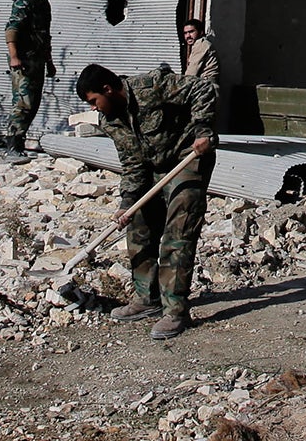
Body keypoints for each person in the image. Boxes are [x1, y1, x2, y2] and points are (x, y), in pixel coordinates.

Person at [74, 61, 218, 340]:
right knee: (138, 226)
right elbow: (132, 163)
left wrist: (202, 130)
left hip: (187, 158)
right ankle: (147, 298)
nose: (94, 108)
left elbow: (202, 88)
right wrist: (127, 202)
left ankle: (175, 312)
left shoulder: (151, 87)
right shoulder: (110, 120)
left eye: (94, 101)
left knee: (178, 233)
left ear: (107, 89)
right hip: (152, 167)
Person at [5, 0, 56, 147]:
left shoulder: (44, 5)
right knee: (22, 102)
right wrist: (14, 56)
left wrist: (49, 62)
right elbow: (12, 29)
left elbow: (45, 36)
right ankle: (13, 145)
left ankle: (20, 141)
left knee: (33, 103)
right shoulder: (25, 0)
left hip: (38, 60)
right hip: (23, 59)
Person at [181, 18, 220, 86]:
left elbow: (191, 73)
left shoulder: (201, 44)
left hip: (205, 87)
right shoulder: (199, 45)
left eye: (191, 32)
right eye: (185, 33)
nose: (188, 36)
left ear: (201, 32)